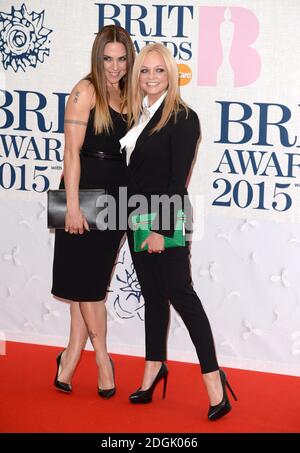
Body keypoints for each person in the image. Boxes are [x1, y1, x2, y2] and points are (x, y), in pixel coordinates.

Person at [120, 43, 237, 420]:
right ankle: (153, 368)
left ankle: (214, 380)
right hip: (134, 216)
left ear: (171, 75)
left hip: (165, 217)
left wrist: (158, 228)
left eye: (159, 71)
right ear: (137, 76)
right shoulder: (137, 115)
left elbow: (176, 180)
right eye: (144, 71)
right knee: (152, 296)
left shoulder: (184, 118)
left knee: (181, 295)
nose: (151, 77)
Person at [51, 25, 135, 398]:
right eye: (107, 59)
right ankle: (102, 359)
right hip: (81, 196)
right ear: (96, 57)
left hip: (116, 199)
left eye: (121, 59)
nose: (115, 67)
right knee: (83, 286)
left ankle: (69, 357)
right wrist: (71, 206)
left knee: (86, 285)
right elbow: (70, 153)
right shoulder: (84, 91)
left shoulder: (131, 96)